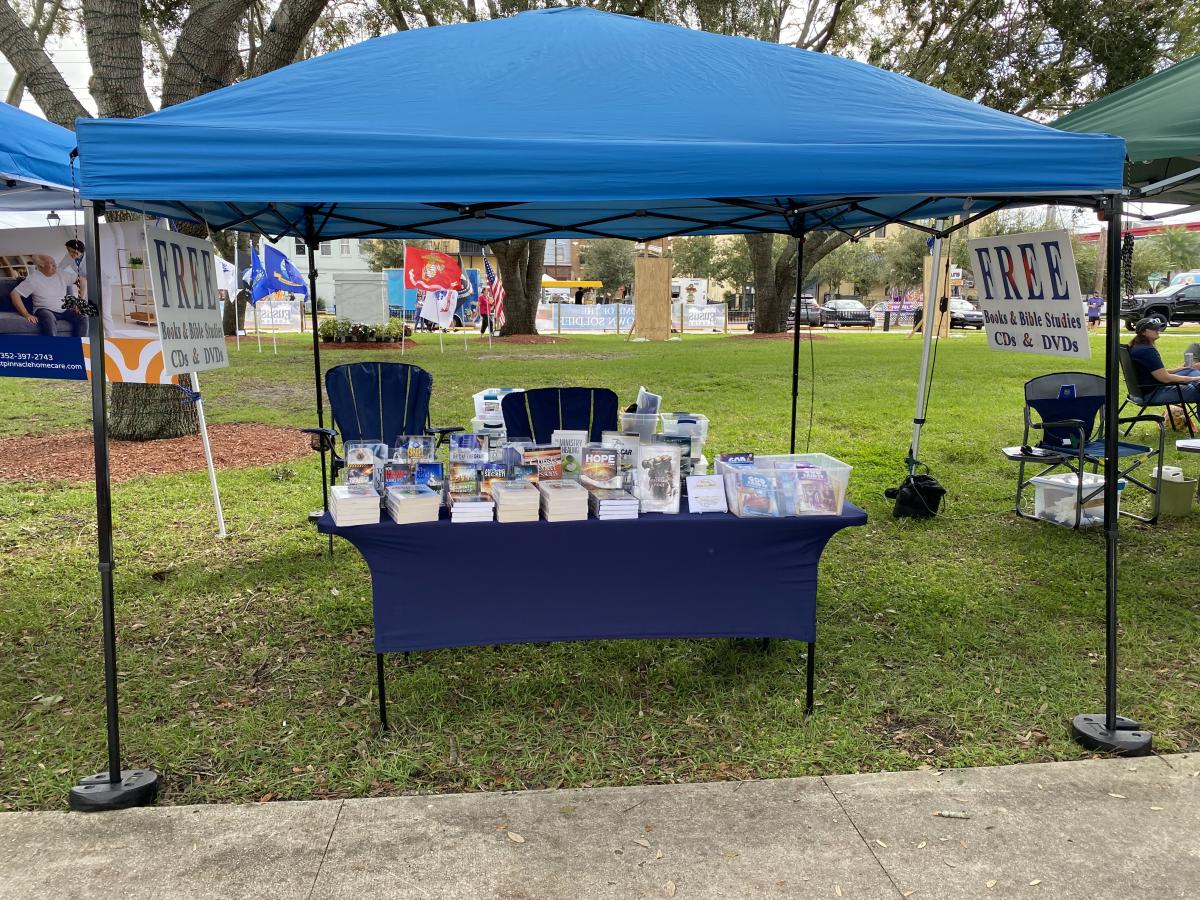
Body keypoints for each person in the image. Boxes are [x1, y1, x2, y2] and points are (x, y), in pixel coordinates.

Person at [9, 254, 89, 337]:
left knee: (83, 316)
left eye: (54, 262)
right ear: (41, 266)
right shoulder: (33, 279)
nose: (55, 265)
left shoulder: (60, 273)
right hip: (45, 310)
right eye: (51, 263)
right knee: (48, 318)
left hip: (65, 309)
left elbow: (82, 280)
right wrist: (26, 314)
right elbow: (15, 294)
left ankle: (80, 345)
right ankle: (52, 345)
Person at [1127, 318, 1200, 405]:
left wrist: (1180, 369)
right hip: (1153, 394)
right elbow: (1165, 378)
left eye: (1158, 328)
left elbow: (1158, 373)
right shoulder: (1147, 351)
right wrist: (1194, 379)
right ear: (1143, 332)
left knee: (1189, 370)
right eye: (1153, 328)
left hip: (1144, 391)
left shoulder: (1137, 347)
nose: (1158, 330)